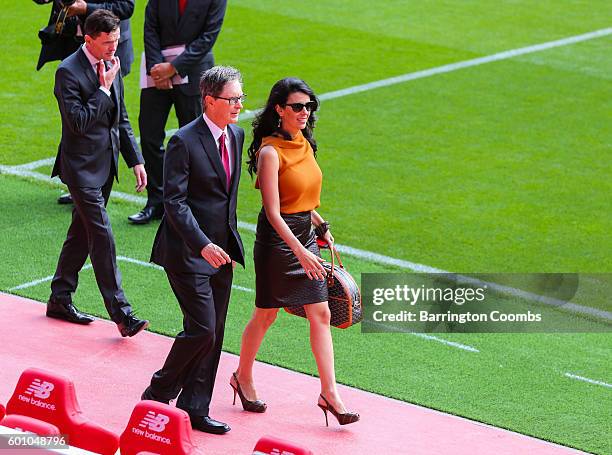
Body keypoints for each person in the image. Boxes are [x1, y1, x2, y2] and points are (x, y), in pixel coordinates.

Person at [232, 78, 359, 426]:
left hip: (304, 234)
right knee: (266, 315)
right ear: (279, 109)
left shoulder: (304, 142)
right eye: (297, 107)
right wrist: (301, 253)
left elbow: (302, 198)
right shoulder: (270, 152)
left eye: (309, 107)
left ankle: (329, 393)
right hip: (277, 244)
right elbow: (274, 211)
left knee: (321, 314)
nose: (305, 113)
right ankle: (242, 377)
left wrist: (320, 225)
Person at [141, 66, 245, 435]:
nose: (238, 105)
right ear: (209, 100)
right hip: (187, 252)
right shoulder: (184, 140)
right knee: (201, 329)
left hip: (224, 253)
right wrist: (203, 245)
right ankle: (158, 391)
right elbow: (175, 203)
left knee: (213, 333)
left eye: (240, 98)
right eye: (232, 99)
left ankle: (195, 406)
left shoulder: (237, 135)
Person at [47, 9, 149, 338]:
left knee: (80, 234)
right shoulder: (67, 72)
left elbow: (121, 118)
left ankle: (60, 298)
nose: (113, 48)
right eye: (106, 42)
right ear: (87, 38)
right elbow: (77, 123)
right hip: (79, 169)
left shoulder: (113, 63)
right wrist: (102, 90)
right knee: (102, 234)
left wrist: (136, 160)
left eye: (116, 41)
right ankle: (123, 314)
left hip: (106, 167)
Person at [128, 0, 228, 225]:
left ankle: (190, 205)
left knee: (194, 143)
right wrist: (157, 68)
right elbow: (150, 26)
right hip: (157, 73)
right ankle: (156, 201)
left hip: (193, 74)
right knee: (150, 136)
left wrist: (174, 67)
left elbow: (208, 37)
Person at [33, 0, 137, 205]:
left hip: (101, 44)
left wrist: (86, 9)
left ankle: (88, 182)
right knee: (83, 117)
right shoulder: (68, 70)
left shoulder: (111, 58)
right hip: (76, 45)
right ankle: (84, 183)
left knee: (107, 112)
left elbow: (126, 7)